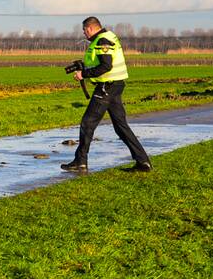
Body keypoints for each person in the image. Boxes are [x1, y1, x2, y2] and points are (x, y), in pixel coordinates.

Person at [62, 16, 152, 173]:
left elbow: (106, 66)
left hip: (106, 87)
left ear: (90, 28)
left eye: (84, 30)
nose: (84, 34)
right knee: (120, 127)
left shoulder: (102, 40)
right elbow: (101, 63)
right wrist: (85, 67)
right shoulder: (106, 37)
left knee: (87, 123)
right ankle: (143, 162)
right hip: (114, 86)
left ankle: (80, 162)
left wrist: (84, 74)